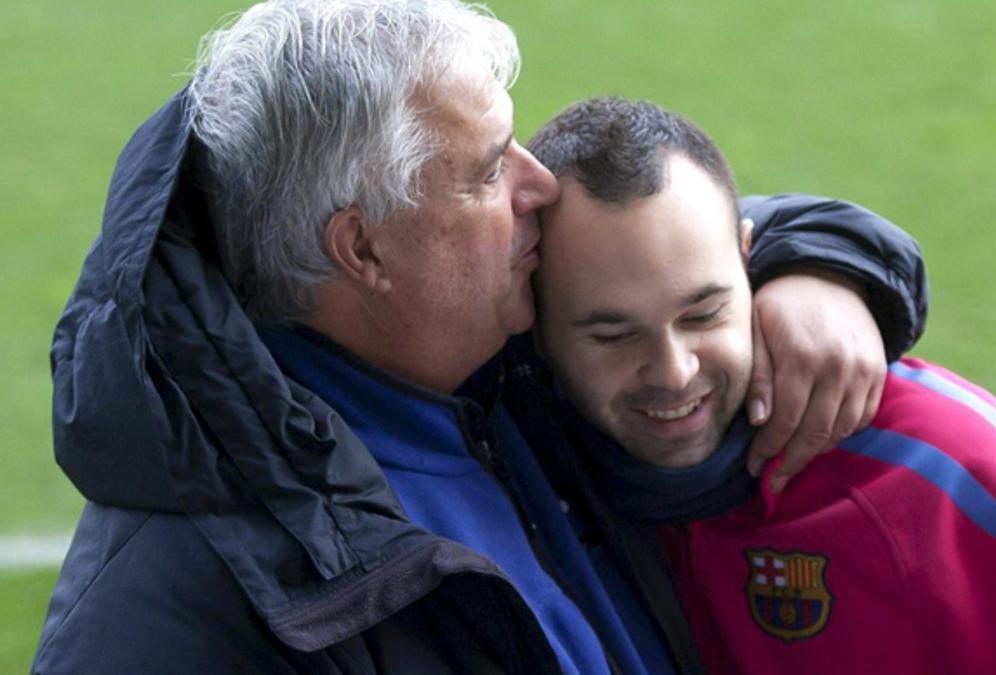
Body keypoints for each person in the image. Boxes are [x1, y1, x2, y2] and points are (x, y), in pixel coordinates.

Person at [33, 2, 929, 673]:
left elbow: (671, 246)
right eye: (492, 168)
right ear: (364, 250)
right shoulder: (164, 612)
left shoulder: (492, 352)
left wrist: (821, 268)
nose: (541, 186)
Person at [529, 97, 996, 675]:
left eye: (704, 314)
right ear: (530, 318)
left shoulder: (961, 479)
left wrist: (825, 261)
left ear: (749, 255)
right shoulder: (520, 458)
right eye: (613, 336)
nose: (674, 370)